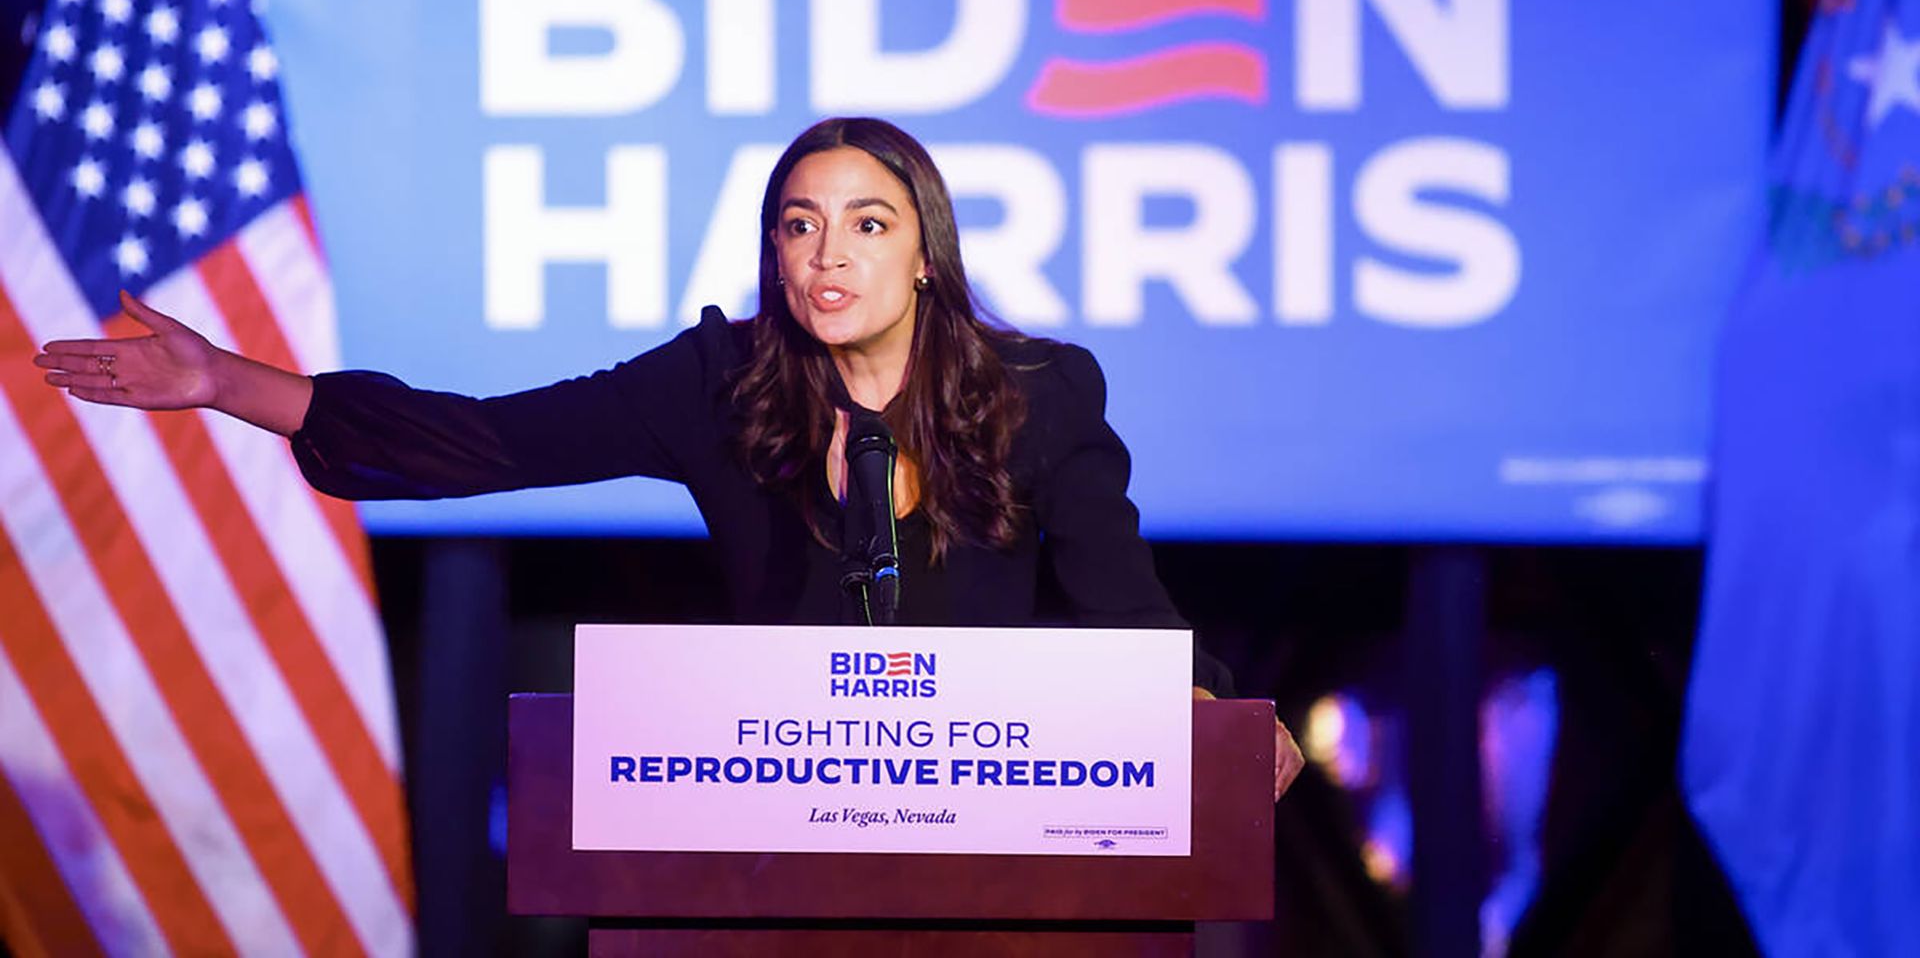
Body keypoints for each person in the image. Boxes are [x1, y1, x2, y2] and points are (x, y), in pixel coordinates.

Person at [36, 116, 1304, 799]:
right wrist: (229, 383)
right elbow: (485, 439)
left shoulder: (1036, 394)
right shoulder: (721, 385)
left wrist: (1209, 715)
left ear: (927, 253)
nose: (829, 255)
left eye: (867, 224)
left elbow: (1126, 606)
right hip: (777, 817)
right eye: (799, 226)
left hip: (997, 815)